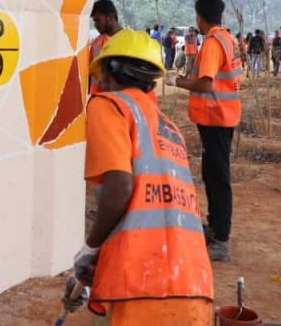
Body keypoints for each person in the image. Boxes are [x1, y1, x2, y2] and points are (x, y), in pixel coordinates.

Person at [68, 29, 214, 324]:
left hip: (141, 288)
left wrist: (90, 248)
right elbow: (151, 214)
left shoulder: (109, 106)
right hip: (195, 287)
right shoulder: (169, 129)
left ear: (109, 72)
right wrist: (100, 266)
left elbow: (121, 188)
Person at [174, 0, 243, 262]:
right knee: (212, 173)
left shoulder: (214, 43)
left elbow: (205, 84)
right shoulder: (228, 38)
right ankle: (215, 228)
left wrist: (178, 81)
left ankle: (221, 240)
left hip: (216, 117)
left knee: (217, 178)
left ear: (199, 17)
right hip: (222, 116)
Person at [88, 0, 122, 95]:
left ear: (110, 17)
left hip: (117, 100)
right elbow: (90, 73)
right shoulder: (96, 43)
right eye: (94, 21)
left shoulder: (128, 42)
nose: (96, 25)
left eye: (98, 20)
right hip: (96, 98)